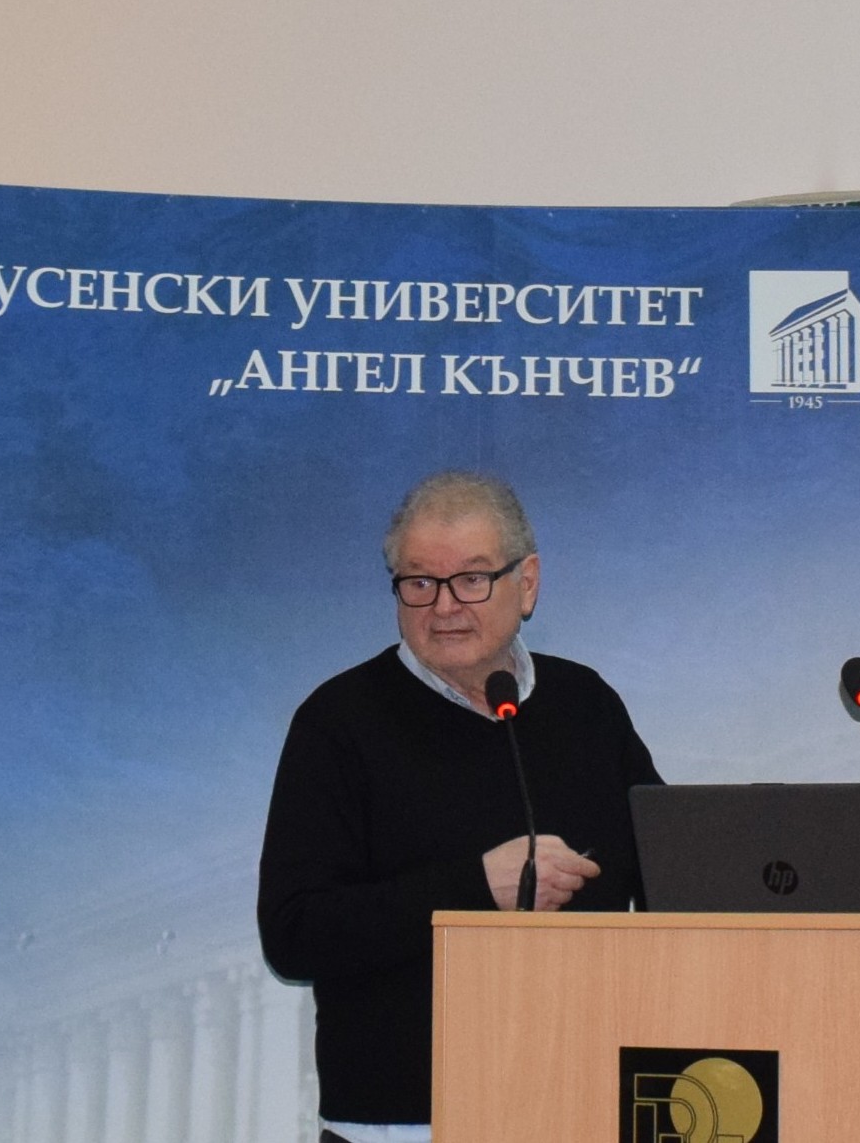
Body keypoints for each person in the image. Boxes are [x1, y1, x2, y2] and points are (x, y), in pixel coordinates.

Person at [257, 471, 664, 1143]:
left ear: (526, 583)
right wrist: (473, 888)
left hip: (579, 1104)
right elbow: (294, 932)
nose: (444, 606)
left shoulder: (586, 706)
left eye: (472, 578)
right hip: (404, 1122)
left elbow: (669, 876)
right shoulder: (338, 723)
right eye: (419, 582)